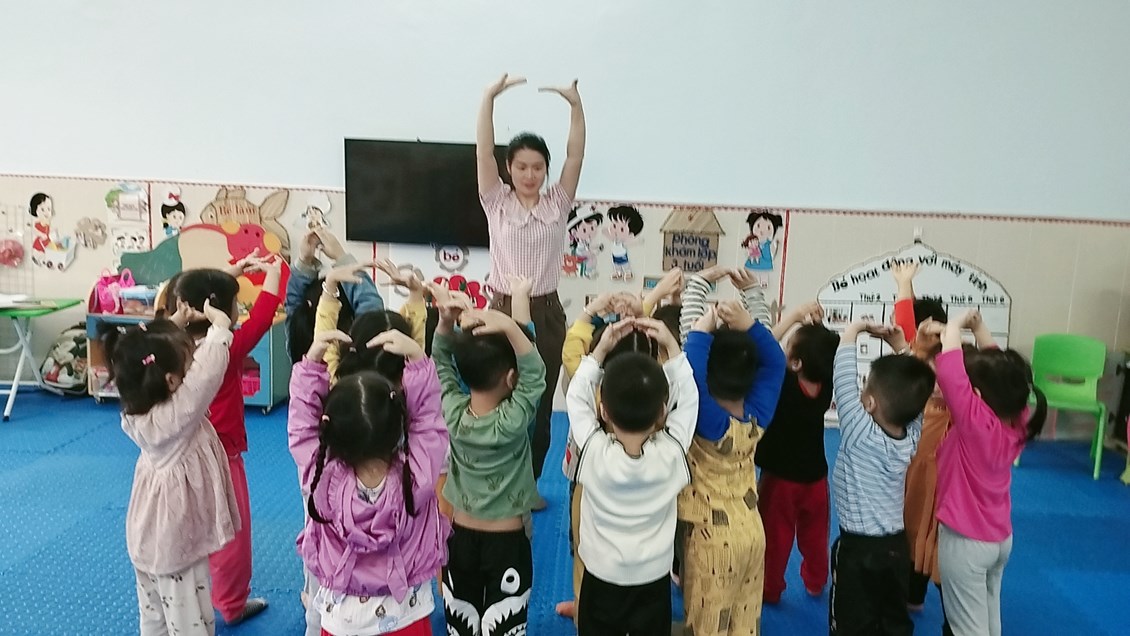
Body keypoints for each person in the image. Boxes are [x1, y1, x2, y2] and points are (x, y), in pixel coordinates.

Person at [289, 327, 450, 636]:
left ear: (330, 429)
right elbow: (429, 423)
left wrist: (310, 366)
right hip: (406, 616)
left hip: (341, 621)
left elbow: (302, 429)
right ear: (398, 425)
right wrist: (418, 360)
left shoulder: (321, 479)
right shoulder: (416, 478)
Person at [477, 73, 586, 504]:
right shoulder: (495, 201)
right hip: (501, 310)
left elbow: (576, 155)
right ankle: (493, 480)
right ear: (508, 168)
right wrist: (489, 98)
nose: (529, 174)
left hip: (545, 312)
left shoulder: (558, 203)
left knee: (538, 403)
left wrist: (575, 105)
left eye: (537, 167)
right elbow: (483, 148)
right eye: (521, 166)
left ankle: (528, 485)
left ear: (545, 170)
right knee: (495, 395)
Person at [105, 304, 239, 636]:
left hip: (146, 537)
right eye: (186, 366)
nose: (192, 369)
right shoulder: (176, 417)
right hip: (176, 544)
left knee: (154, 619)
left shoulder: (138, 412)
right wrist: (220, 329)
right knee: (191, 623)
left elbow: (143, 351)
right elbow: (205, 376)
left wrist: (173, 325)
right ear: (170, 380)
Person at [166, 259, 282, 625]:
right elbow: (262, 317)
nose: (238, 311)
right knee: (231, 533)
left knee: (188, 529)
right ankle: (231, 604)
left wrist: (228, 277)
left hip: (178, 459)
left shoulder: (171, 347)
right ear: (220, 310)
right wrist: (275, 271)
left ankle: (185, 601)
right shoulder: (225, 349)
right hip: (221, 458)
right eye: (235, 305)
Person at [567, 317, 697, 634]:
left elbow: (576, 396)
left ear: (603, 411)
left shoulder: (594, 453)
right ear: (662, 412)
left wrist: (599, 352)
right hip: (653, 580)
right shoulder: (671, 454)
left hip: (600, 577)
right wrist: (672, 348)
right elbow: (689, 400)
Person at [432, 304, 546, 636]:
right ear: (511, 379)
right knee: (505, 623)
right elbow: (535, 374)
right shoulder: (513, 421)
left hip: (460, 538)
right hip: (507, 541)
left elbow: (440, 365)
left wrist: (445, 323)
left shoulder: (452, 412)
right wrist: (510, 326)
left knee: (461, 623)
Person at [935, 310, 1046, 636]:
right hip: (999, 539)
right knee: (988, 615)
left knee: (967, 627)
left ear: (977, 397)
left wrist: (954, 326)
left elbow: (951, 374)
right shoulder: (1018, 420)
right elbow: (1005, 376)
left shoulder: (975, 426)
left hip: (966, 543)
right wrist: (979, 327)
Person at [678, 299, 785, 635]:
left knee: (708, 624)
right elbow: (776, 363)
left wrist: (701, 329)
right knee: (744, 620)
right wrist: (749, 324)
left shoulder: (707, 420)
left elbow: (691, 371)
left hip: (712, 543)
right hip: (752, 532)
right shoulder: (757, 417)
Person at [830, 320, 936, 636]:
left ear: (870, 403)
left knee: (850, 622)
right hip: (896, 548)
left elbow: (842, 379)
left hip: (858, 550)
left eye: (865, 387)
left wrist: (852, 332)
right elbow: (918, 396)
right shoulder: (911, 436)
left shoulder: (858, 432)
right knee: (893, 618)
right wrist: (902, 347)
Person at [755, 301, 840, 604]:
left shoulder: (784, 384)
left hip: (780, 480)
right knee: (816, 536)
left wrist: (793, 316)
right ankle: (817, 580)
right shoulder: (825, 384)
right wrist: (817, 329)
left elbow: (764, 346)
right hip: (816, 478)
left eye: (789, 347)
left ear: (796, 363)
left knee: (775, 538)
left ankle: (770, 588)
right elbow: (825, 351)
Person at [889, 260, 954, 633]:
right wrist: (905, 284)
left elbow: (906, 326)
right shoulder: (943, 365)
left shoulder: (930, 367)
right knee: (919, 528)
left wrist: (904, 284)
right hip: (929, 462)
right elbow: (908, 324)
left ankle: (925, 594)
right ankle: (915, 593)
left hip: (930, 465)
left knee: (921, 528)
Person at [286, 229, 385, 363]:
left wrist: (305, 261)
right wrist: (340, 255)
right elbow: (371, 314)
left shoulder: (301, 361)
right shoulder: (345, 367)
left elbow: (293, 306)